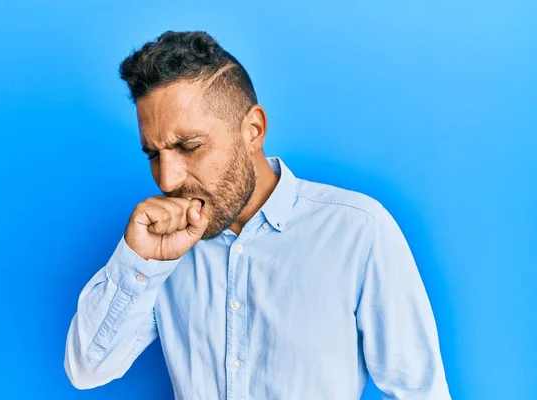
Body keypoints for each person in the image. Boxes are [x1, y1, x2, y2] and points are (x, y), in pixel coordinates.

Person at [64, 30, 451, 399]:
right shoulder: (163, 246)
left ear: (253, 129)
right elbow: (86, 369)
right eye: (154, 154)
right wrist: (141, 262)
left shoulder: (358, 230)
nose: (167, 179)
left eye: (189, 146)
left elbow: (419, 392)